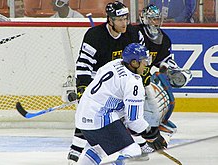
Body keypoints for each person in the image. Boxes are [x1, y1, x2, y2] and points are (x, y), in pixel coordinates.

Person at [66, 1, 145, 164]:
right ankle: (75, 149)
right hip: (99, 82)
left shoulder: (133, 33)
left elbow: (141, 60)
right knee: (93, 113)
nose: (124, 23)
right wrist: (83, 86)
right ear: (110, 19)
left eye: (126, 19)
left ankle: (125, 143)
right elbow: (83, 64)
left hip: (121, 83)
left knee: (119, 116)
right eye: (119, 19)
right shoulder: (94, 35)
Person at [75, 43, 167, 165]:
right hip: (100, 118)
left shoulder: (115, 63)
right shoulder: (133, 83)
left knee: (100, 149)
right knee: (132, 150)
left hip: (82, 115)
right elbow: (134, 121)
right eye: (144, 61)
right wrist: (154, 136)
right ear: (134, 63)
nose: (147, 64)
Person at [135, 4, 192, 143]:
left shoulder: (164, 39)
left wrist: (173, 70)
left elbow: (164, 61)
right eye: (152, 19)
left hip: (145, 77)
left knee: (162, 99)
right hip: (131, 77)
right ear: (144, 19)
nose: (155, 22)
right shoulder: (134, 33)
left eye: (157, 19)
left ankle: (151, 127)